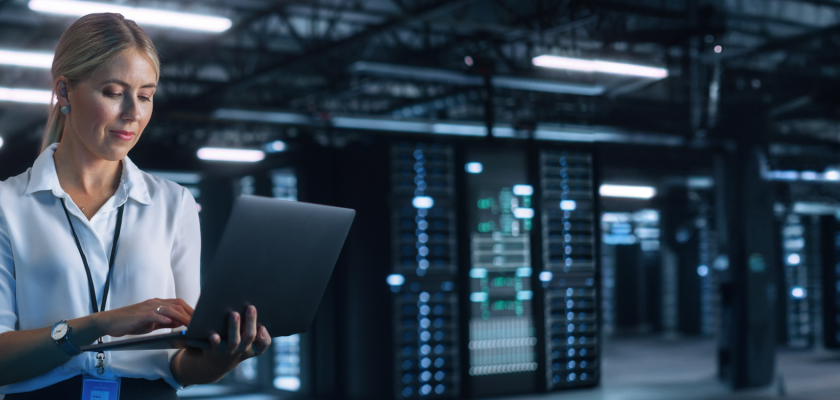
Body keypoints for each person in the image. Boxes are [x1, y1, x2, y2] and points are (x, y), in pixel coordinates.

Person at [0, 13, 271, 399]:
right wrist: (98, 324)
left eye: (145, 95)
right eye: (113, 92)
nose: (133, 112)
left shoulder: (173, 203)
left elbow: (184, 357)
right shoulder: (7, 205)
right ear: (64, 91)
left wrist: (223, 357)